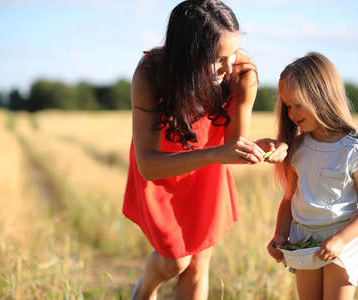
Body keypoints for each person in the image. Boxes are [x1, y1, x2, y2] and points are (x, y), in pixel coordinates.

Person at [123, 1, 287, 299]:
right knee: (175, 260)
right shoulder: (150, 75)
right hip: (162, 164)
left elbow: (234, 142)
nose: (229, 65)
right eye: (217, 58)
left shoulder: (241, 75)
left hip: (207, 172)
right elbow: (147, 164)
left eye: (234, 52)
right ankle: (144, 290)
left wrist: (261, 148)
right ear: (187, 55)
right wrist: (214, 154)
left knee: (199, 265)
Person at [264, 52, 358, 300]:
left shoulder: (354, 148)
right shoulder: (297, 148)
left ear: (321, 97)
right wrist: (279, 235)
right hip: (304, 240)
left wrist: (340, 240)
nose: (292, 113)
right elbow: (289, 199)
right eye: (287, 106)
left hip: (343, 241)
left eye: (297, 104)